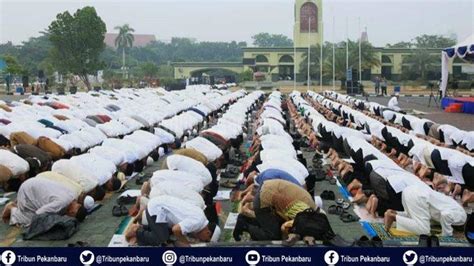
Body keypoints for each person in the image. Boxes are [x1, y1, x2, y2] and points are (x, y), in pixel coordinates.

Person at [124, 195, 217, 247]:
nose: (200, 240)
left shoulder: (201, 217)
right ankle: (137, 231)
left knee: (167, 236)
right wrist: (187, 245)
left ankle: (143, 230)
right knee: (161, 239)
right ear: (208, 233)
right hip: (157, 209)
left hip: (162, 207)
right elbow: (176, 230)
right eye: (204, 239)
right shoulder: (197, 222)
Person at [384, 184, 466, 236]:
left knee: (413, 217)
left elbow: (435, 217)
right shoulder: (462, 218)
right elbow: (446, 215)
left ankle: (394, 213)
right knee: (424, 230)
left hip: (410, 190)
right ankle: (393, 217)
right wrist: (447, 233)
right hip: (419, 196)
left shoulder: (456, 207)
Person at [2, 178, 87, 227]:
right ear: (71, 212)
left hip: (33, 183)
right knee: (30, 221)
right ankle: (12, 209)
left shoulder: (73, 194)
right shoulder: (61, 204)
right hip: (26, 191)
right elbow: (38, 214)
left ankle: (20, 204)